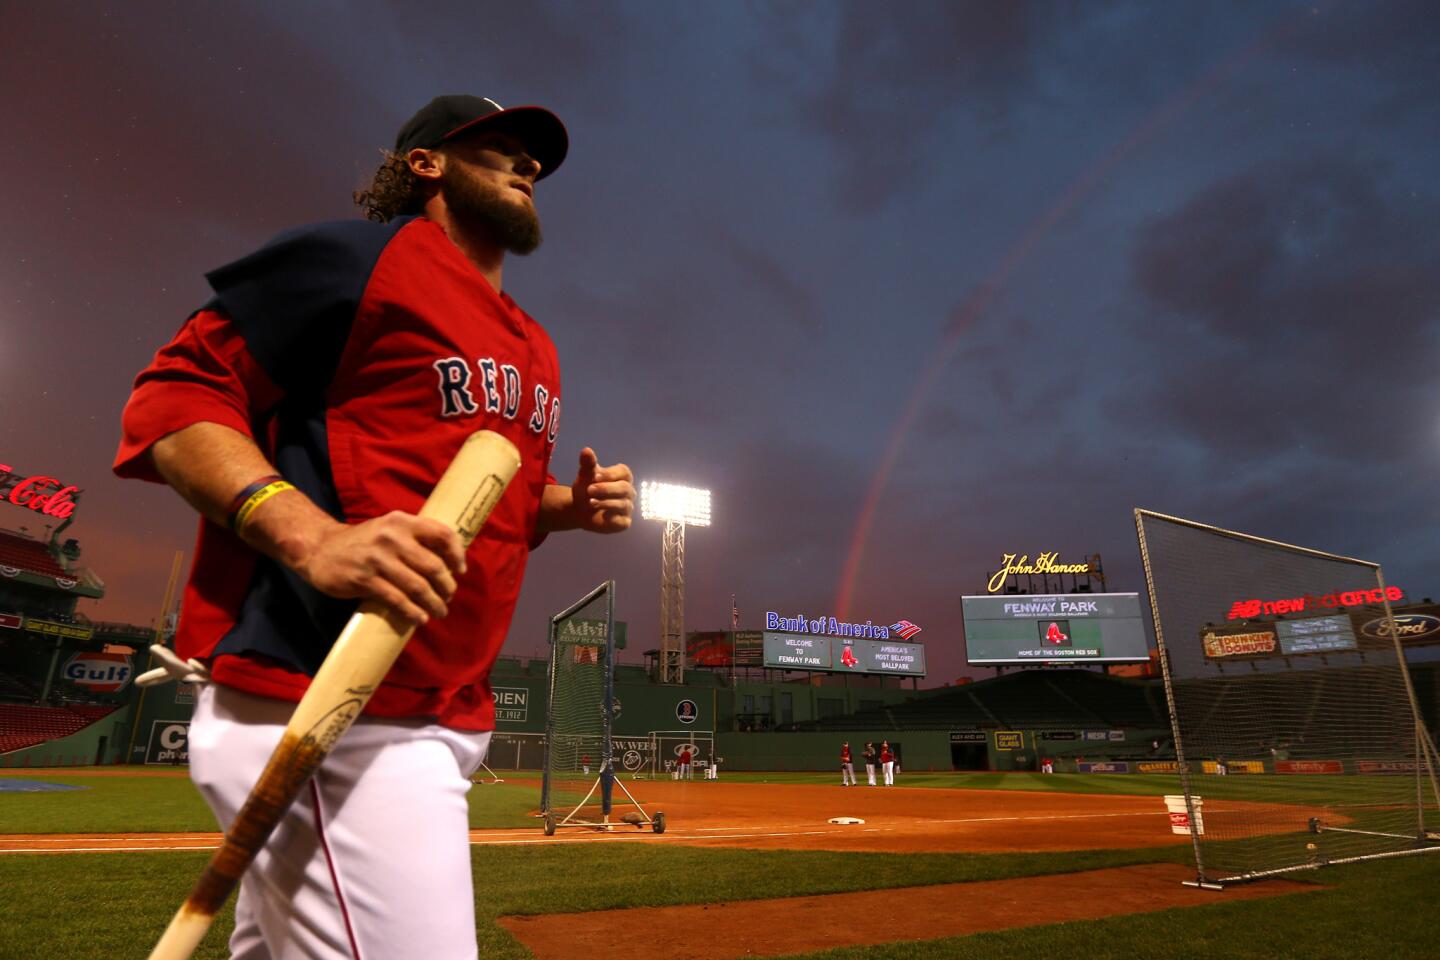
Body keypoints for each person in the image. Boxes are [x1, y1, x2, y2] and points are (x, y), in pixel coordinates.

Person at [114, 94, 635, 959]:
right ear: (425, 164)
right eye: (499, 148)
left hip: (443, 708)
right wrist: (310, 534)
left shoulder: (534, 341)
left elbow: (480, 503)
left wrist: (563, 509)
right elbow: (177, 394)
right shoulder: (359, 259)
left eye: (533, 159)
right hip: (329, 700)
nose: (528, 166)